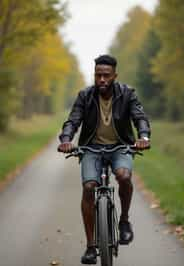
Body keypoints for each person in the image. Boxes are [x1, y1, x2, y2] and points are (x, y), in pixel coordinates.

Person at [58, 54, 151, 264]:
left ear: (114, 76)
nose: (101, 79)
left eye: (106, 75)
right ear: (94, 75)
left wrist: (144, 137)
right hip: (91, 148)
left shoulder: (127, 94)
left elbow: (139, 117)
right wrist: (66, 139)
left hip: (121, 147)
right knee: (89, 186)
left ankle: (124, 221)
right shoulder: (85, 95)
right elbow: (73, 120)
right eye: (98, 75)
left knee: (123, 176)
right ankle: (91, 246)